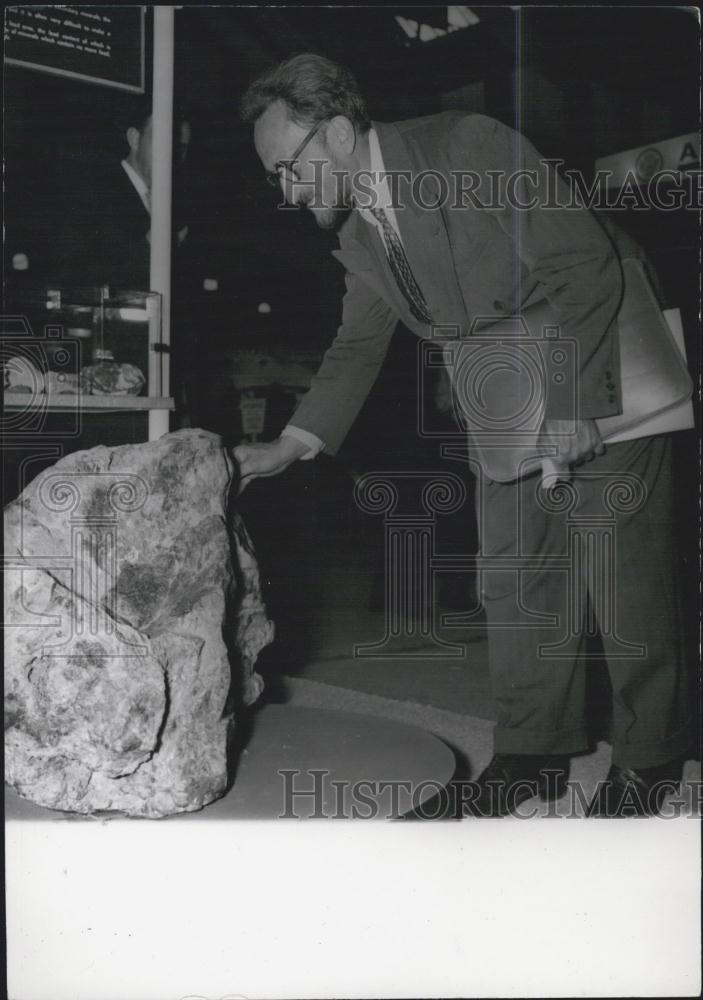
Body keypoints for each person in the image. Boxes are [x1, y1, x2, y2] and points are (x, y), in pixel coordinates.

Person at [233, 53, 691, 817]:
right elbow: (358, 344)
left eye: (288, 167)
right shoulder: (358, 233)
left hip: (596, 350)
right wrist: (293, 442)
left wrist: (575, 405)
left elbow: (582, 265)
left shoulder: (465, 146)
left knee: (621, 570)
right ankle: (532, 752)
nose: (287, 191)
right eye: (274, 178)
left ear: (338, 133)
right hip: (502, 381)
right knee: (513, 573)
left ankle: (649, 760)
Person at [49, 100, 189, 290]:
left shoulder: (174, 204)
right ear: (135, 139)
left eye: (178, 147)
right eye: (162, 141)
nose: (170, 155)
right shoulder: (96, 193)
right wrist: (151, 243)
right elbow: (72, 275)